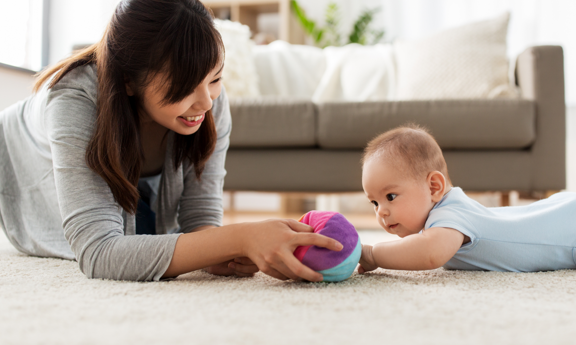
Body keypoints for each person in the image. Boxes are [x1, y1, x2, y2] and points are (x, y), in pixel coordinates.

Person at [0, 0, 342, 282]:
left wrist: (220, 250)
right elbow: (99, 252)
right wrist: (240, 236)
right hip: (21, 161)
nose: (207, 103)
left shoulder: (207, 97)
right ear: (129, 82)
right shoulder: (73, 102)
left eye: (215, 79)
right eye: (183, 88)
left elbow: (200, 218)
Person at [357, 125, 576, 274]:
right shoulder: (448, 209)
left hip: (575, 233)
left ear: (435, 186)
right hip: (559, 212)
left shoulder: (447, 218)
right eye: (374, 203)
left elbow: (428, 255)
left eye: (391, 196)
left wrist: (373, 254)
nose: (382, 211)